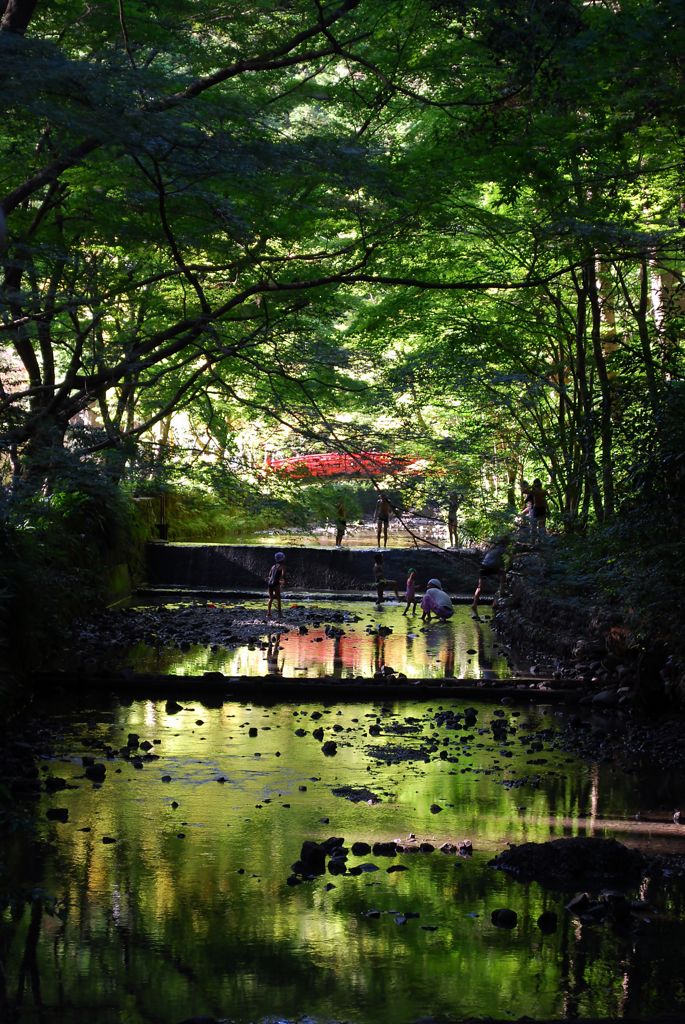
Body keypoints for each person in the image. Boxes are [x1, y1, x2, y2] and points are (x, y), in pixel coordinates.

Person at [472, 537, 509, 614]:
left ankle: (474, 604)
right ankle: (501, 592)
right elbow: (510, 556)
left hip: (484, 566)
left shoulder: (492, 548)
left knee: (480, 587)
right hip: (492, 567)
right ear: (505, 544)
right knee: (503, 575)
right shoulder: (502, 548)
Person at [529, 478, 550, 544]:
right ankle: (535, 541)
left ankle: (540, 541)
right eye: (536, 485)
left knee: (540, 525)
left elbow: (545, 500)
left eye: (538, 485)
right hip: (537, 509)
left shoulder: (542, 491)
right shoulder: (534, 492)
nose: (537, 487)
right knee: (536, 525)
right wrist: (532, 486)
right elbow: (524, 491)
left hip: (540, 509)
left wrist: (548, 510)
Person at [267, 551, 286, 619]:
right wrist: (282, 582)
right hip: (276, 583)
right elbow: (282, 576)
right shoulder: (282, 566)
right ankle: (280, 614)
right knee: (278, 599)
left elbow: (269, 575)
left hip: (270, 583)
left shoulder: (273, 566)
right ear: (282, 559)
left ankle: (268, 613)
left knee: (271, 598)